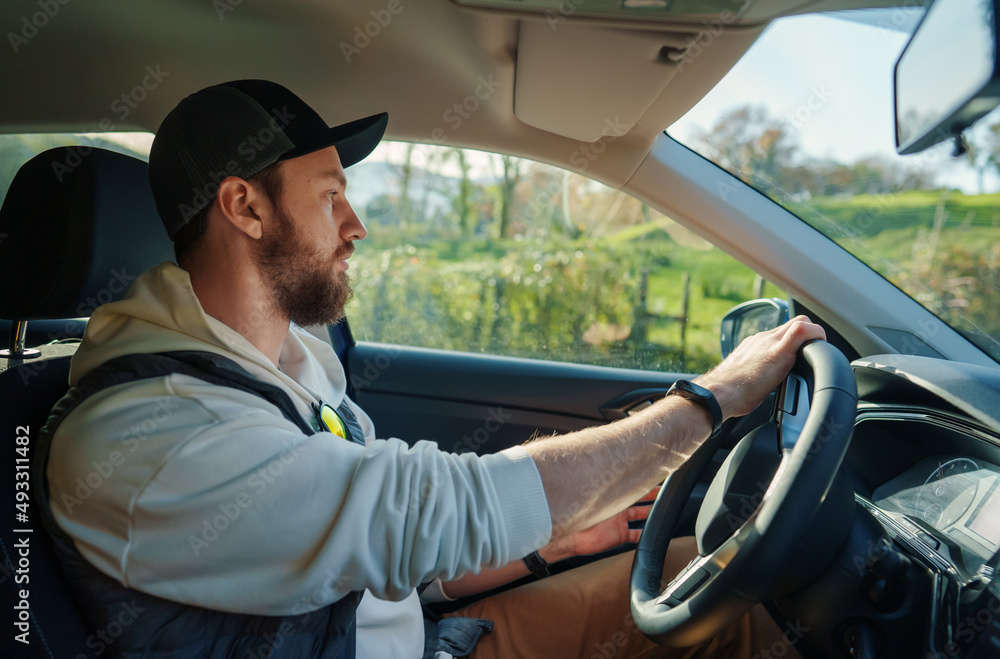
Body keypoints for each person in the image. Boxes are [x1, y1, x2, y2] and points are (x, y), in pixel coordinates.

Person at [44, 79, 822, 658]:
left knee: (716, 584)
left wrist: (547, 549)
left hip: (432, 636)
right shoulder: (151, 436)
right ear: (245, 207)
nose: (356, 225)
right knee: (735, 614)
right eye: (330, 196)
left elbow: (377, 551)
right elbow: (428, 508)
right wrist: (715, 396)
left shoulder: (284, 366)